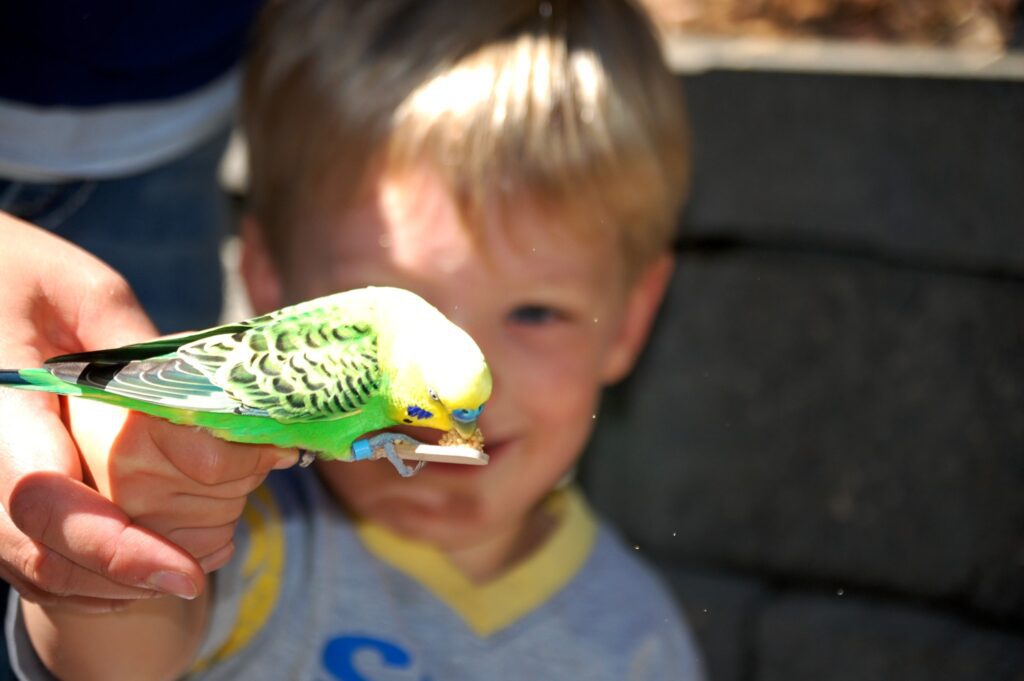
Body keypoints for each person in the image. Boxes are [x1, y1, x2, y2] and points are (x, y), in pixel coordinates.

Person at [7, 0, 705, 679]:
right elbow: (114, 664)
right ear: (268, 281)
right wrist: (141, 511)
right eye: (415, 315)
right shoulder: (252, 525)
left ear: (630, 319)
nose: (478, 411)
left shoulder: (638, 633)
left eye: (534, 312)